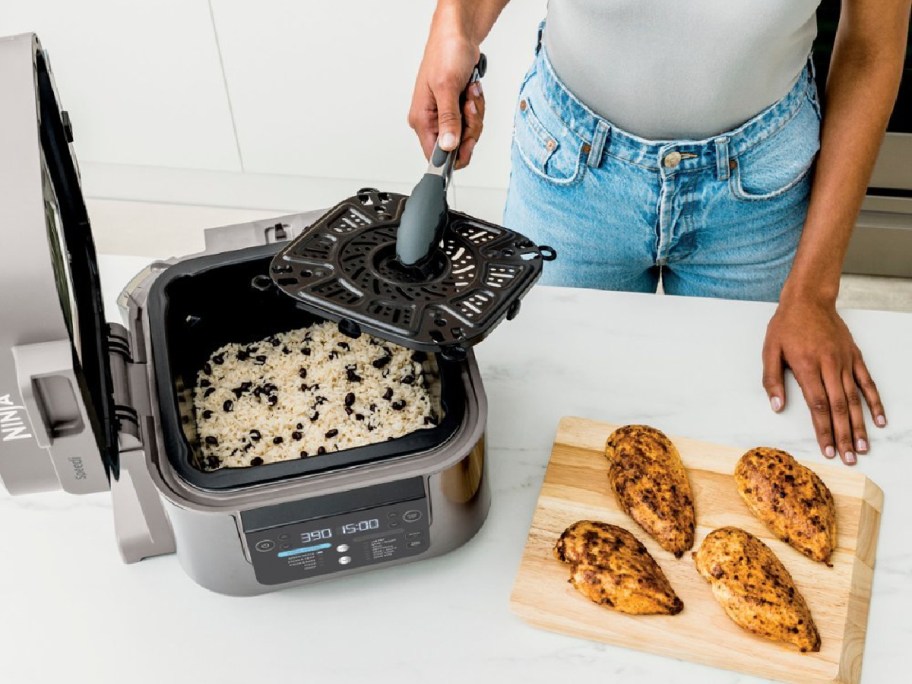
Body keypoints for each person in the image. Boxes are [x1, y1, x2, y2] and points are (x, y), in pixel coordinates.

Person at [409, 0, 910, 466]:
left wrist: (815, 292)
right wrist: (456, 25)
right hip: (571, 178)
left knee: (753, 442)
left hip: (759, 193)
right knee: (539, 443)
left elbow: (872, 48)